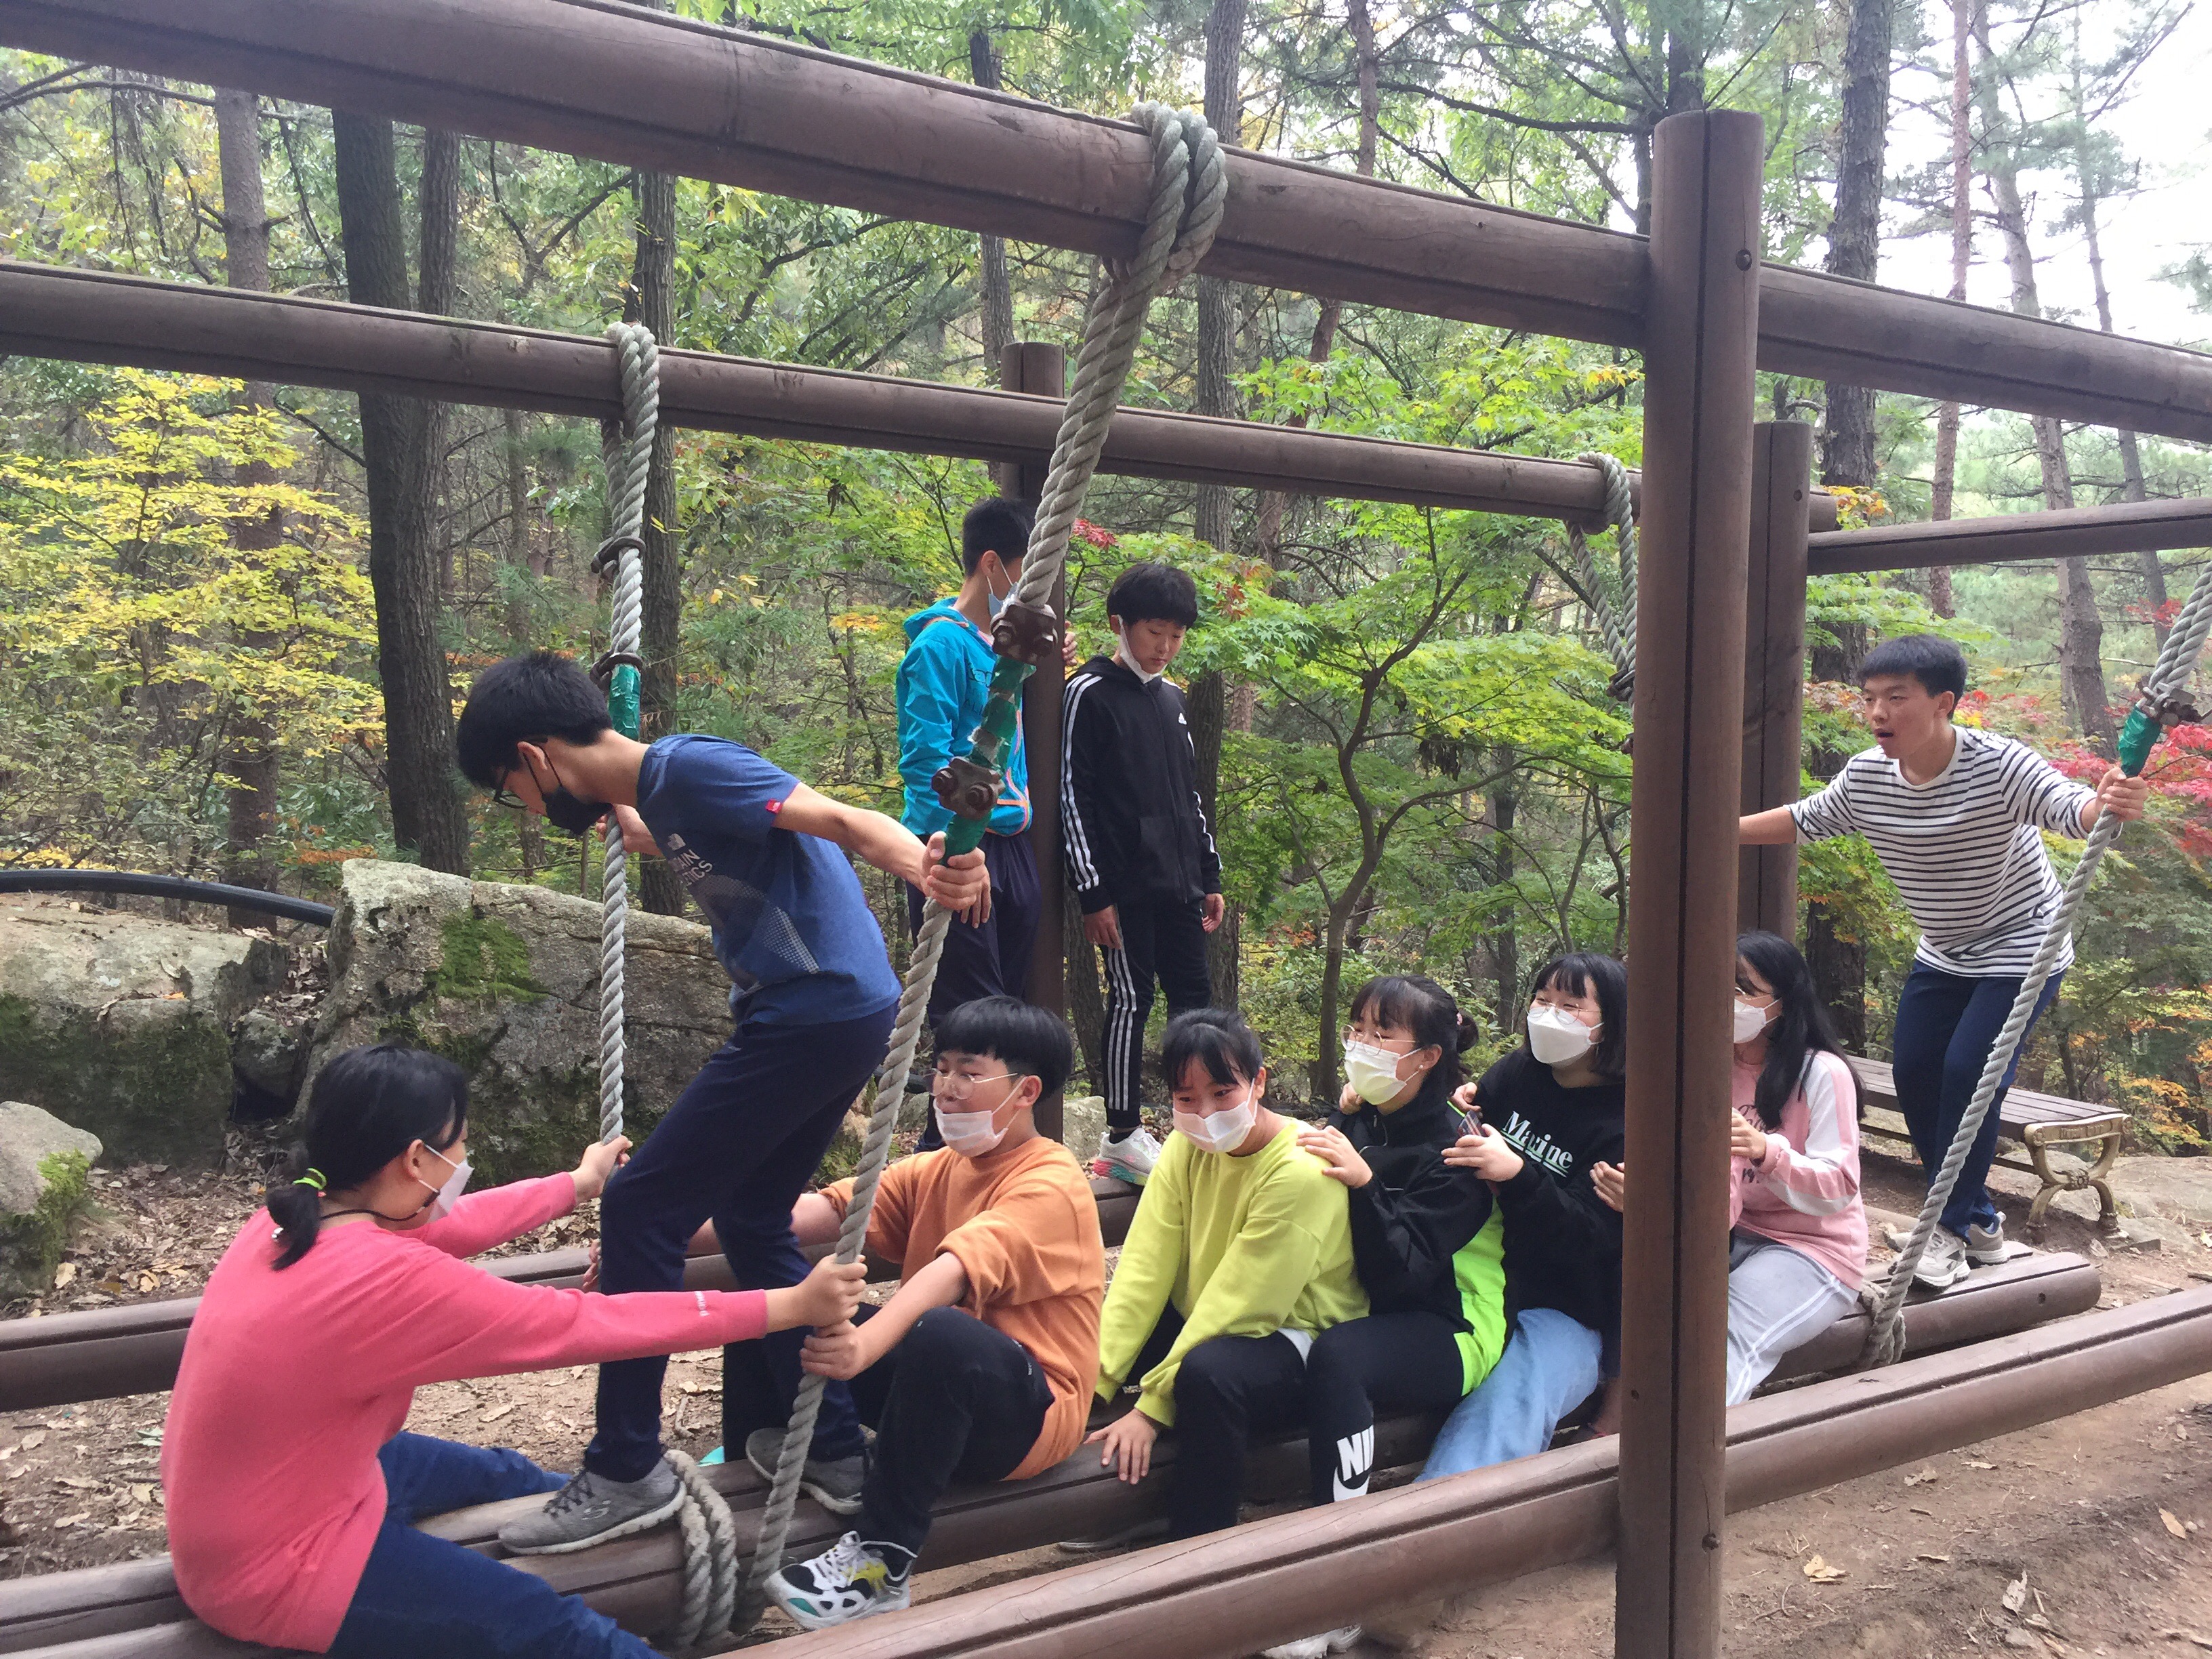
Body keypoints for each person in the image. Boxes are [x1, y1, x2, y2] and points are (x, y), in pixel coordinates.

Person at [451, 650, 989, 1551]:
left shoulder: (689, 768)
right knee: (750, 1216)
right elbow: (670, 827)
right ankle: (833, 1447)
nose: (531, 811)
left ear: (536, 757)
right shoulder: (663, 797)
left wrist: (929, 867)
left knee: (640, 1206)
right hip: (841, 1009)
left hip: (811, 1010)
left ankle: (626, 1464)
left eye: (516, 791)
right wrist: (629, 819)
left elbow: (845, 820)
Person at [162, 1043, 865, 1659]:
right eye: (460, 1145)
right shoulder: (382, 1283)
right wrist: (785, 1307)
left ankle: (636, 1568)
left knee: (512, 1476)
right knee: (545, 1624)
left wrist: (576, 1186)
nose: (464, 1162)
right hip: (275, 1564)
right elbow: (585, 1324)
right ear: (416, 1159)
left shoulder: (296, 1215)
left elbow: (457, 1222)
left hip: (302, 1484)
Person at [1740, 634, 2148, 1287]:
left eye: (1897, 698)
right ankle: (1979, 1222)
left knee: (1968, 1074)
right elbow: (1804, 818)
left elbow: (2074, 811)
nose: (1878, 713)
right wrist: (1717, 829)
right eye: (1869, 698)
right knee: (1914, 1073)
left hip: (2023, 944)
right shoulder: (1868, 777)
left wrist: (2108, 804)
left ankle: (1951, 1231)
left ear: (1943, 703)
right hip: (1945, 950)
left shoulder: (1999, 765)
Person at [758, 997, 1106, 1629]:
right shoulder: (937, 1169)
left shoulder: (1052, 1181)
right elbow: (819, 1214)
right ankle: (767, 1450)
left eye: (968, 1073)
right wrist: (662, 1228)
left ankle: (881, 1564)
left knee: (944, 1333)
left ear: (1025, 1091)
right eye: (941, 1068)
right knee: (781, 1294)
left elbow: (953, 1273)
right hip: (935, 1396)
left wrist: (864, 1348)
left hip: (1028, 1418)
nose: (945, 1087)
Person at [1265, 976, 1509, 1659]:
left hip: (1455, 1326)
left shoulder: (1460, 1148)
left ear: (1426, 1057)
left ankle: (1342, 1582)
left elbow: (1406, 1271)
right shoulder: (1363, 1116)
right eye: (1358, 1028)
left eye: (1382, 1034)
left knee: (1341, 1356)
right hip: (1369, 1306)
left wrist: (1365, 1182)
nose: (1361, 1045)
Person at [1086, 1010, 1367, 1562]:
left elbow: (1246, 1304)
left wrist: (1152, 1409)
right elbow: (1144, 1265)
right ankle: (1114, 1498)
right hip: (1210, 1314)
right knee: (1097, 1345)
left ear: (1258, 1082)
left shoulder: (1302, 1169)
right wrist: (1091, 1381)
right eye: (1186, 1099)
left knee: (1208, 1375)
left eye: (1222, 1092)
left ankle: (1198, 1547)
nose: (1205, 1113)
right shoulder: (1184, 1146)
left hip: (1296, 1335)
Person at [1589, 933, 1866, 1404]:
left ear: (1783, 1001)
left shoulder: (1821, 1073)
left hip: (1814, 1248)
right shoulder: (1705, 1066)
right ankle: (1616, 1427)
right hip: (1732, 1236)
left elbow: (1839, 1187)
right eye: (1719, 987)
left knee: (1721, 1330)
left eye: (1743, 989)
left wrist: (1766, 1151)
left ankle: (1705, 1444)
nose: (1728, 1001)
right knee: (1646, 1310)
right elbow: (1717, 1202)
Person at [1417, 953, 1627, 1480]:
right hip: (1475, 1279)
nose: (1549, 1015)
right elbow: (1459, 1130)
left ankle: (1443, 1517)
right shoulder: (1518, 1073)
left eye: (1571, 1006)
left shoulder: (1630, 1118)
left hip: (1566, 1310)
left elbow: (1591, 1237)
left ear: (1610, 1024)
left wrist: (1518, 1176)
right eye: (1542, 1000)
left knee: (1505, 1403)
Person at [895, 497, 1065, 1146]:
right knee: (972, 1027)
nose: (1028, 591)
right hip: (959, 847)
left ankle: (990, 1162)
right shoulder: (939, 645)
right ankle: (939, 1164)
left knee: (1008, 1024)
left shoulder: (1003, 647)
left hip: (1013, 843)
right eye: (1024, 574)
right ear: (992, 565)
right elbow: (924, 764)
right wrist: (960, 849)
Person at [1061, 561, 1225, 1185]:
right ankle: (1122, 1134)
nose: (1165, 647)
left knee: (1196, 1003)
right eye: (1155, 632)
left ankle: (1202, 1121)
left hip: (1181, 882)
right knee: (1132, 998)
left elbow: (1190, 796)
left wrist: (1209, 874)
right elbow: (1072, 797)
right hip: (1122, 886)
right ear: (1119, 625)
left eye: (1176, 635)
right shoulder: (1087, 692)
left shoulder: (1172, 699)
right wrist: (1092, 892)